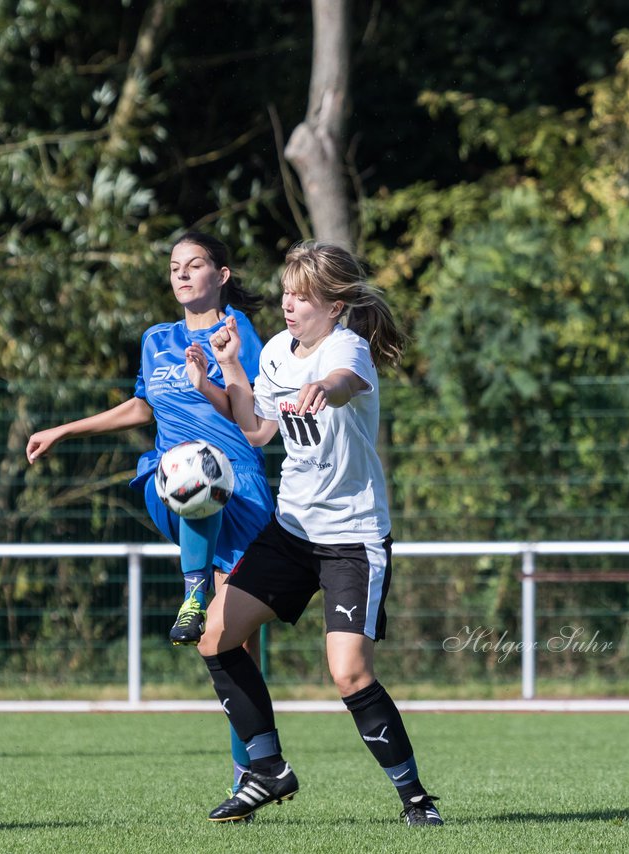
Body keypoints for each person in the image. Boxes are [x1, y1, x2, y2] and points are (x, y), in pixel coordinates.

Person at [187, 241, 443, 827]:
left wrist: (324, 389)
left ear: (335, 305)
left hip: (351, 536)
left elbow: (345, 380)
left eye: (303, 296)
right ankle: (266, 768)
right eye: (286, 293)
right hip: (293, 527)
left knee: (349, 672)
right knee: (214, 638)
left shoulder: (347, 345)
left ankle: (415, 799)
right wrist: (218, 376)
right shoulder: (276, 350)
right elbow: (255, 431)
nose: (289, 304)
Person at [25, 231, 275, 792]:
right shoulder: (156, 339)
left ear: (223, 274)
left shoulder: (238, 333)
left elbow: (253, 410)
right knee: (183, 471)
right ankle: (193, 587)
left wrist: (214, 376)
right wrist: (66, 428)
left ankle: (253, 772)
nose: (182, 274)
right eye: (174, 267)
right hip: (175, 479)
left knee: (235, 645)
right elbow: (144, 405)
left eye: (195, 265)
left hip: (243, 489)